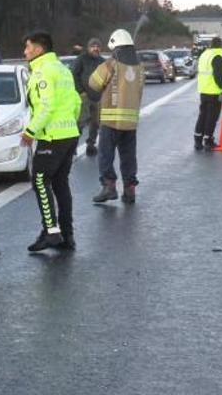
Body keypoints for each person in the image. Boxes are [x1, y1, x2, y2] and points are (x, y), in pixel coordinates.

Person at [20, 31, 81, 252]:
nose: (25, 51)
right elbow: (75, 102)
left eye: (27, 47)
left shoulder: (42, 72)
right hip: (69, 134)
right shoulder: (63, 69)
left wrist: (30, 131)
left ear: (38, 49)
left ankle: (51, 232)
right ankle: (67, 235)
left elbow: (46, 106)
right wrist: (70, 125)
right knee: (60, 184)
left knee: (39, 181)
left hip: (51, 137)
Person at [88, 29, 145, 205]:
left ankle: (109, 187)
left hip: (110, 120)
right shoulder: (140, 68)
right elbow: (140, 92)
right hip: (130, 122)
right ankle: (129, 191)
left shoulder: (110, 65)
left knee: (105, 155)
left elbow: (93, 84)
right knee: (129, 157)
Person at [71, 37, 104, 156]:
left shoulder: (102, 61)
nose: (95, 48)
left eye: (98, 46)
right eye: (93, 46)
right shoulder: (81, 59)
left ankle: (91, 144)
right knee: (80, 122)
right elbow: (74, 75)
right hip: (84, 96)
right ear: (89, 47)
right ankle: (73, 146)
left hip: (98, 96)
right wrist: (81, 91)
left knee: (95, 123)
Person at [194, 36, 222, 151]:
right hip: (214, 91)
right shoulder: (217, 56)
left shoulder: (204, 54)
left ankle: (197, 141)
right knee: (212, 117)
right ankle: (208, 140)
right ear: (220, 46)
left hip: (203, 90)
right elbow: (218, 76)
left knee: (202, 115)